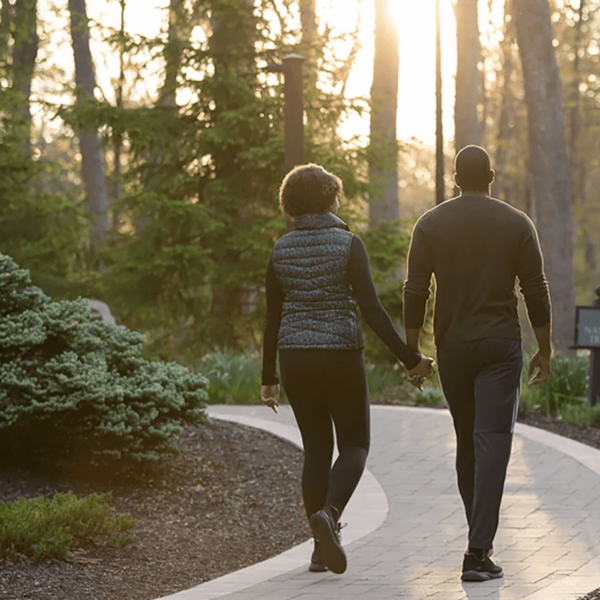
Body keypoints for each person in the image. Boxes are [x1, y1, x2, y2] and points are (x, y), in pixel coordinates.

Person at [260, 163, 434, 575]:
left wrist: (269, 378)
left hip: (294, 356)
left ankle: (320, 552)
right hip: (338, 352)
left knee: (317, 449)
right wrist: (412, 360)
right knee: (355, 444)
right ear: (329, 198)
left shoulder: (279, 249)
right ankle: (331, 515)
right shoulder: (348, 243)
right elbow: (372, 310)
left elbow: (271, 318)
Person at [403, 145, 552, 582]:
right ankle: (478, 549)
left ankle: (478, 543)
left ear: (454, 179)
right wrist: (545, 348)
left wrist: (412, 353)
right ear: (491, 176)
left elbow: (415, 291)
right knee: (491, 444)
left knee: (468, 443)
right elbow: (536, 290)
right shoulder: (516, 223)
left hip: (453, 347)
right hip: (501, 346)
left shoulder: (430, 224)